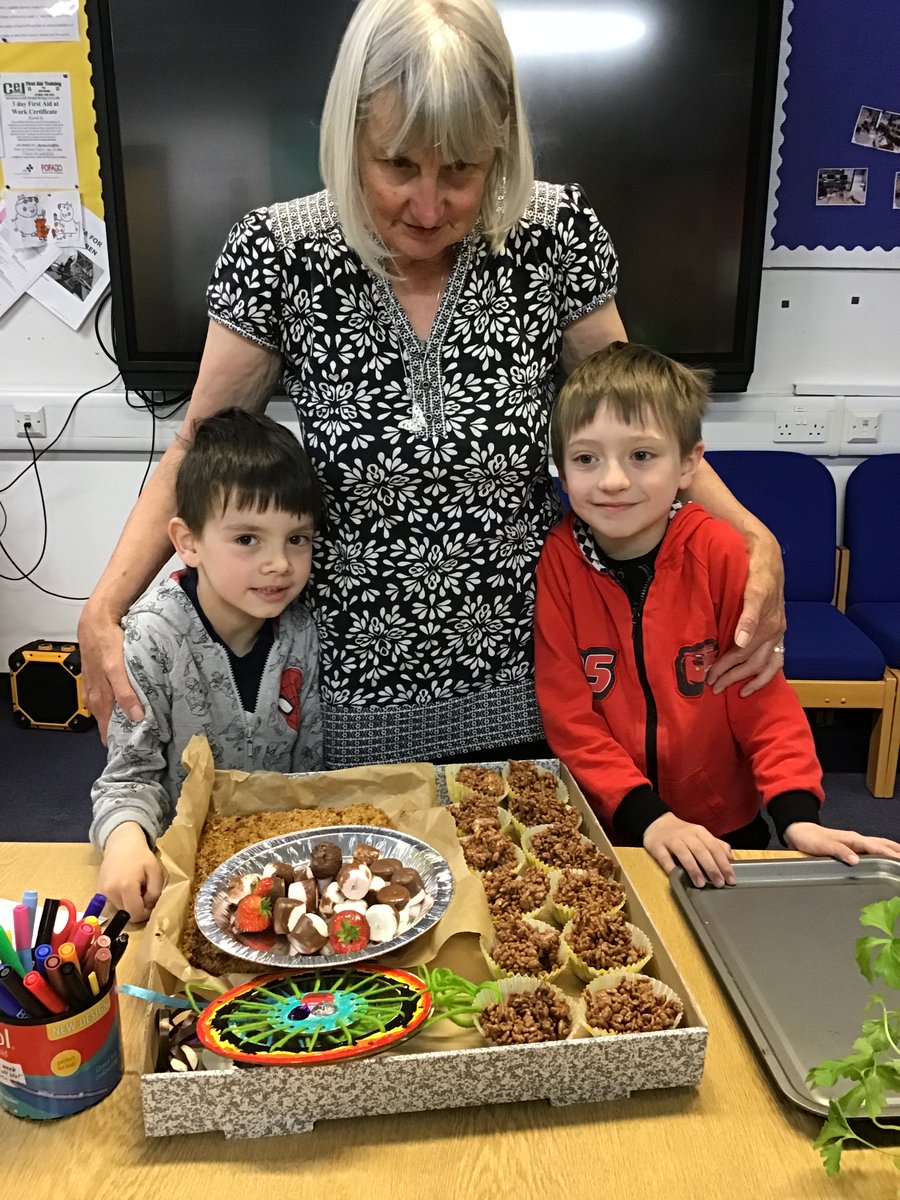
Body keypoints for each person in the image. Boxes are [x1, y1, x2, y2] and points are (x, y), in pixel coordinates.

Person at [78, 0, 785, 770]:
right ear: (351, 136)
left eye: (461, 171)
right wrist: (105, 606)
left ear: (501, 146)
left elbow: (648, 425)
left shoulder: (555, 238)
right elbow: (198, 447)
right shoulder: (280, 254)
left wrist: (753, 533)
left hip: (537, 680)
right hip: (347, 698)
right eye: (398, 166)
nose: (427, 204)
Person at [534, 342, 900, 886]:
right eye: (586, 458)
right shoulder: (558, 564)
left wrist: (797, 815)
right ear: (561, 469)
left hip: (726, 829)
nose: (612, 480)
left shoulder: (721, 554)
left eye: (641, 455)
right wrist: (649, 817)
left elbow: (762, 697)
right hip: (617, 825)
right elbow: (571, 720)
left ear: (688, 463)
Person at [91, 409, 324, 920]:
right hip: (184, 878)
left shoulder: (302, 631)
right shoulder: (152, 639)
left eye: (297, 538)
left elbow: (311, 770)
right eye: (247, 539)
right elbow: (128, 777)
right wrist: (126, 842)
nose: (279, 563)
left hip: (282, 874)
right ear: (188, 541)